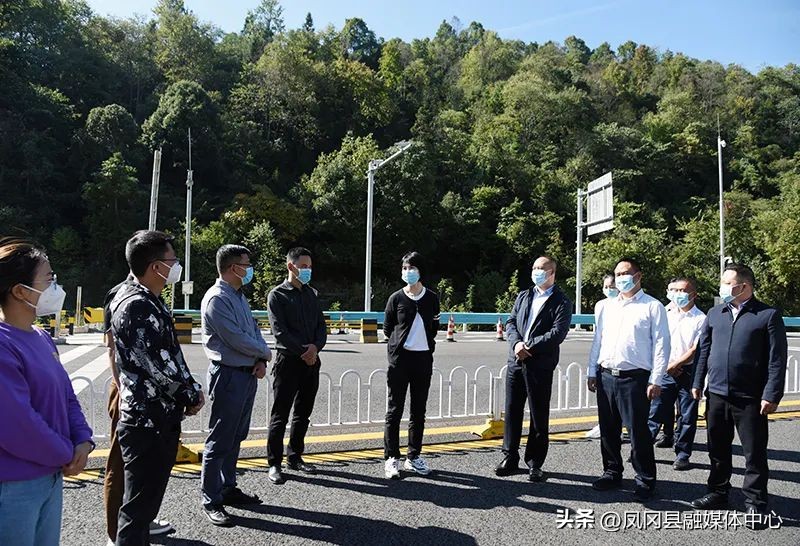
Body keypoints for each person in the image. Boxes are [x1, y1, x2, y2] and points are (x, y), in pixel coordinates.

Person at [110, 231, 204, 546]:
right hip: (147, 420)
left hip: (154, 416)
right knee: (138, 510)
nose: (176, 266)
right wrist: (189, 394)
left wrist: (189, 390)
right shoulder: (137, 305)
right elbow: (157, 365)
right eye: (172, 260)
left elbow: (168, 354)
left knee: (144, 505)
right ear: (155, 267)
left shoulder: (142, 297)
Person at [0, 238, 94, 546]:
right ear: (20, 291)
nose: (56, 287)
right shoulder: (3, 344)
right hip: (13, 485)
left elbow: (66, 395)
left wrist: (83, 440)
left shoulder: (41, 336)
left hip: (49, 476)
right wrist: (67, 453)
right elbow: (17, 422)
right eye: (49, 279)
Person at [690, 263, 788, 526]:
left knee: (753, 453)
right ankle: (718, 491)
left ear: (744, 286)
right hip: (717, 393)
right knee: (717, 448)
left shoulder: (767, 315)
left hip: (750, 397)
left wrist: (772, 394)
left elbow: (776, 360)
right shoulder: (715, 313)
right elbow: (703, 350)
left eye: (727, 283)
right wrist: (697, 382)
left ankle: (755, 502)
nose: (722, 287)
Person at [587, 258, 669, 501]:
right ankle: (612, 472)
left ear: (638, 276)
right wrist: (592, 371)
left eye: (625, 273)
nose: (620, 278)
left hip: (635, 378)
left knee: (638, 432)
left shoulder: (652, 306)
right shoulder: (605, 306)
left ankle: (645, 479)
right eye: (617, 274)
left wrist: (656, 379)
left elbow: (662, 344)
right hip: (606, 375)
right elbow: (598, 340)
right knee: (608, 429)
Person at [200, 245, 271, 526]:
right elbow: (235, 339)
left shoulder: (238, 296)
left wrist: (260, 359)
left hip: (246, 373)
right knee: (220, 439)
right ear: (233, 268)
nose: (250, 269)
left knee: (236, 436)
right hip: (228, 375)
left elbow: (253, 331)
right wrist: (265, 353)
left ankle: (227, 487)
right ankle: (211, 498)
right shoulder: (217, 299)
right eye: (246, 264)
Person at [103, 271, 173, 545]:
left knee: (143, 471)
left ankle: (139, 523)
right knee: (120, 465)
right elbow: (112, 349)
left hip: (146, 395)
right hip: (128, 390)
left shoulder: (151, 295)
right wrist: (123, 391)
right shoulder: (123, 294)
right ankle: (116, 532)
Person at [496, 256, 572, 481]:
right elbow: (511, 323)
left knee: (538, 414)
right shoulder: (524, 295)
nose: (537, 271)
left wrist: (529, 346)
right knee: (512, 410)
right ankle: (510, 456)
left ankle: (535, 462)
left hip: (540, 363)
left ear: (552, 273)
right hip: (516, 361)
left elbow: (557, 333)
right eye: (535, 268)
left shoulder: (561, 301)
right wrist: (516, 344)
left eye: (542, 268)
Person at [265, 247, 327, 484]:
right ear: (290, 266)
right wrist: (303, 351)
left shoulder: (311, 294)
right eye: (303, 266)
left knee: (303, 414)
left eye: (310, 266)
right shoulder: (277, 295)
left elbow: (321, 327)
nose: (308, 270)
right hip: (288, 361)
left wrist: (315, 348)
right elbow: (279, 332)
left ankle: (295, 456)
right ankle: (274, 463)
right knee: (280, 415)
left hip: (311, 361)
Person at [382, 252, 441, 479]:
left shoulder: (432, 298)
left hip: (423, 359)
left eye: (412, 268)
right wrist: (398, 347)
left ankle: (413, 456)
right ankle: (391, 457)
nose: (408, 272)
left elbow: (434, 327)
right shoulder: (396, 298)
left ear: (420, 271)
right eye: (405, 268)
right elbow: (388, 328)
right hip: (400, 360)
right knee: (394, 410)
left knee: (418, 411)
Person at [648, 277, 705, 470]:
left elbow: (695, 348)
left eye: (683, 291)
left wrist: (677, 364)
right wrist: (667, 366)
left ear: (693, 295)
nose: (678, 295)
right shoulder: (666, 314)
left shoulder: (701, 319)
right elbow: (657, 341)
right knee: (655, 411)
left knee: (687, 416)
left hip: (687, 372)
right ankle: (643, 450)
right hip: (665, 370)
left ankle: (682, 454)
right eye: (676, 291)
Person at [586, 274, 617, 440]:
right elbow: (598, 338)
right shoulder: (601, 305)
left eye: (612, 286)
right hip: (603, 360)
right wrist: (591, 370)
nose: (609, 290)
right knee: (605, 402)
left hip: (622, 364)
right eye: (606, 287)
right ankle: (605, 428)